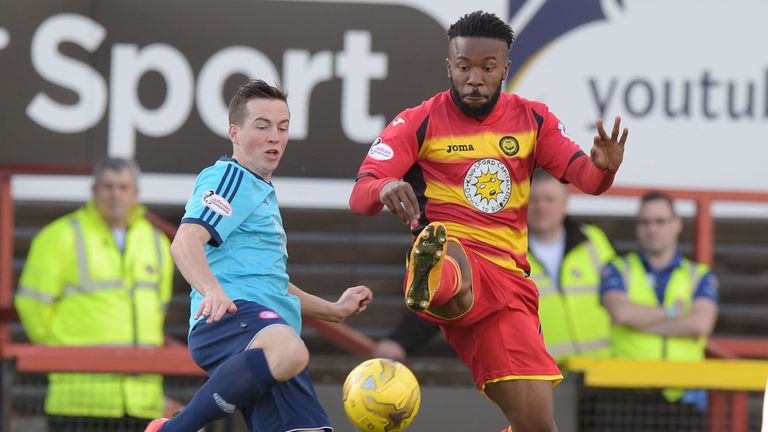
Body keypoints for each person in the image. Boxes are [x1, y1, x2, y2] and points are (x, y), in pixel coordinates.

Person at [349, 11, 628, 432]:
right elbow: (361, 193)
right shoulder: (419, 121)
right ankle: (429, 280)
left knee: (537, 425)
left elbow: (585, 178)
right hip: (455, 256)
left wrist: (604, 168)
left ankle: (436, 280)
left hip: (511, 286)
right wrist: (385, 187)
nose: (474, 78)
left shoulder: (533, 120)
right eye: (464, 67)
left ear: (505, 69)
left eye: (486, 68)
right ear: (449, 66)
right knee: (451, 256)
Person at [144, 79, 372, 432]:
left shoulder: (259, 190)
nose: (274, 137)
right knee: (292, 351)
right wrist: (213, 291)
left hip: (268, 336)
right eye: (262, 125)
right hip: (232, 321)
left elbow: (272, 284)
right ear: (234, 132)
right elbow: (185, 242)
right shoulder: (231, 178)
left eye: (282, 127)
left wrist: (334, 310)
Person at [372, 170, 617, 364]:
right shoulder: (501, 247)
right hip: (538, 375)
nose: (542, 207)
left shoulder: (594, 241)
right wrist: (401, 341)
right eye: (534, 200)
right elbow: (447, 294)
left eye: (550, 199)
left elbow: (624, 293)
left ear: (565, 204)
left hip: (599, 376)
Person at [14, 158, 173, 432]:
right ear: (94, 190)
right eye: (108, 186)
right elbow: (31, 305)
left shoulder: (157, 242)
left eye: (123, 187)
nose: (115, 195)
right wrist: (63, 353)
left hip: (142, 402)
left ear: (136, 193)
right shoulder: (60, 236)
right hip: (78, 400)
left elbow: (159, 308)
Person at [596, 191, 719, 430]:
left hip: (683, 398)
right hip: (626, 396)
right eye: (645, 222)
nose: (652, 229)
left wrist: (640, 320)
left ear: (677, 225)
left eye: (660, 221)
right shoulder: (617, 268)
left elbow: (700, 324)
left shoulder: (699, 275)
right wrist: (672, 312)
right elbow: (621, 313)